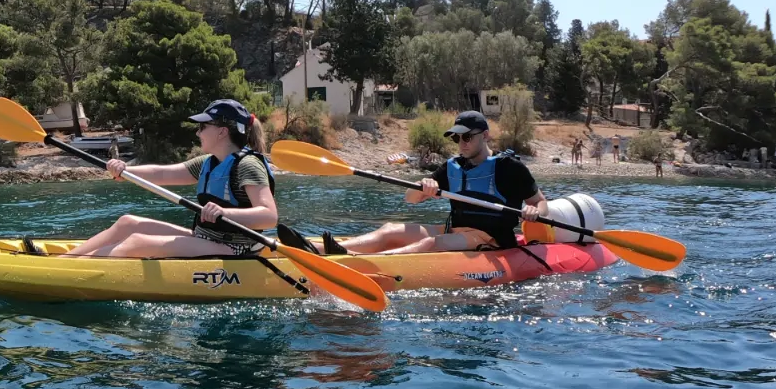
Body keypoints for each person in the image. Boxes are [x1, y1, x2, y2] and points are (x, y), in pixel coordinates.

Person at [56, 99, 277, 259]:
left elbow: (269, 216)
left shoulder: (248, 165)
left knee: (137, 242)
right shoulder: (208, 162)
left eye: (203, 127)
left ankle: (72, 271)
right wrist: (126, 171)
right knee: (128, 223)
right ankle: (65, 261)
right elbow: (162, 173)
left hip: (237, 249)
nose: (198, 133)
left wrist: (224, 213)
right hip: (206, 238)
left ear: (222, 132)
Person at [328, 110, 547, 255]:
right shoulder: (453, 167)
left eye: (467, 137)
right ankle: (322, 250)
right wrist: (423, 186)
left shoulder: (509, 167)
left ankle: (357, 261)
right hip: (455, 232)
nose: (461, 143)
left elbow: (540, 202)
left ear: (485, 135)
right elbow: (410, 199)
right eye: (456, 138)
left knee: (432, 244)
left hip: (491, 239)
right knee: (390, 230)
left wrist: (534, 211)